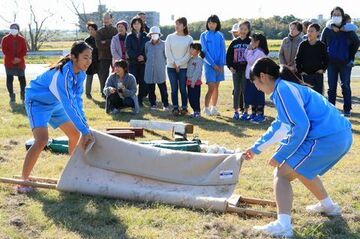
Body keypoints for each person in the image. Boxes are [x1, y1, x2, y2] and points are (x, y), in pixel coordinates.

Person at [244, 57, 352, 238]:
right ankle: (329, 207)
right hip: (339, 135)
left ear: (262, 76)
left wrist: (281, 154)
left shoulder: (283, 90)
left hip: (328, 137)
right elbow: (280, 125)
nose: (256, 87)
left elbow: (300, 126)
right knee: (300, 168)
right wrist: (255, 149)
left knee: (282, 173)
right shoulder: (284, 88)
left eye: (255, 82)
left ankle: (283, 226)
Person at [20, 41, 94, 193]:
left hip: (55, 102)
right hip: (37, 101)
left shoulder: (81, 73)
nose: (89, 61)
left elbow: (77, 101)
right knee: (42, 140)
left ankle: (72, 173)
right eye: (85, 57)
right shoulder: (62, 74)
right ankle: (23, 181)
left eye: (90, 57)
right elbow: (68, 103)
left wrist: (85, 128)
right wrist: (85, 131)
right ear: (74, 57)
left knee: (74, 134)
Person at [321, 6, 360, 117]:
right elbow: (322, 44)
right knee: (331, 87)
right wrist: (325, 59)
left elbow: (356, 42)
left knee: (345, 86)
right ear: (331, 16)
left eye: (338, 14)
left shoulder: (348, 29)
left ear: (342, 16)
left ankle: (347, 109)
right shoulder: (327, 29)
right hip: (331, 63)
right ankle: (331, 109)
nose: (336, 16)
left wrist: (350, 56)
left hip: (345, 63)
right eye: (334, 14)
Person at [165, 17, 193, 116]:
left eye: (179, 24)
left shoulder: (189, 38)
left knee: (182, 88)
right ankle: (175, 107)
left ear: (184, 26)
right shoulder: (170, 37)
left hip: (183, 67)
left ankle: (184, 107)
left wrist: (178, 63)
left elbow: (189, 54)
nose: (177, 26)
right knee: (174, 88)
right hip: (171, 67)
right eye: (176, 24)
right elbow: (167, 52)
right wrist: (174, 63)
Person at [200, 15, 226, 116]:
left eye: (214, 23)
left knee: (216, 87)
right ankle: (206, 108)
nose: (211, 25)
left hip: (219, 65)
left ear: (217, 24)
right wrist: (213, 64)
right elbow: (204, 51)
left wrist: (221, 64)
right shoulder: (204, 35)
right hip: (209, 65)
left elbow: (223, 50)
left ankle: (213, 108)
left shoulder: (220, 35)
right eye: (210, 23)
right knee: (211, 87)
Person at [226, 21, 251, 120]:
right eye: (241, 29)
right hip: (236, 70)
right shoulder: (234, 42)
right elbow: (228, 56)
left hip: (246, 70)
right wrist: (230, 67)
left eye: (245, 29)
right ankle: (236, 111)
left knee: (245, 90)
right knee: (237, 90)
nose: (243, 31)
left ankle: (245, 111)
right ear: (238, 30)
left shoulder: (250, 42)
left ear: (248, 30)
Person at [295, 23, 328, 95]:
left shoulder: (321, 45)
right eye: (308, 31)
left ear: (317, 32)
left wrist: (323, 69)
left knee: (318, 96)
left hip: (318, 75)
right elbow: (297, 59)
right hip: (306, 75)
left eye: (312, 31)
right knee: (307, 95)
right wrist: (300, 71)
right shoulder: (303, 44)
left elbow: (326, 59)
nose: (309, 33)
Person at [243, 33, 269, 123]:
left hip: (257, 79)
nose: (250, 43)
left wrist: (249, 50)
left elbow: (250, 60)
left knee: (258, 97)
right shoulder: (255, 50)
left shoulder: (259, 52)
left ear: (257, 42)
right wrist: (248, 50)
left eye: (252, 41)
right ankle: (253, 114)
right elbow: (246, 56)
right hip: (252, 78)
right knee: (252, 97)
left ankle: (260, 115)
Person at [125, 16, 150, 107]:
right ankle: (132, 99)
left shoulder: (146, 36)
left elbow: (148, 50)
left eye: (138, 23)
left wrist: (143, 57)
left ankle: (140, 99)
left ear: (141, 24)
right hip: (133, 63)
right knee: (133, 82)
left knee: (143, 82)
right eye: (134, 23)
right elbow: (128, 50)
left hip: (143, 63)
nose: (136, 25)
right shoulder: (129, 36)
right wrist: (136, 56)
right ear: (132, 25)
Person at [144, 26, 169, 110]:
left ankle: (165, 104)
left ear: (159, 35)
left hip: (160, 70)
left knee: (163, 89)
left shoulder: (164, 44)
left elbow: (166, 56)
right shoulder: (147, 44)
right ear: (150, 35)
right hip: (149, 69)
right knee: (151, 89)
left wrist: (162, 64)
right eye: (152, 34)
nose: (154, 35)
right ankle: (153, 104)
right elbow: (146, 54)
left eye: (156, 34)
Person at [1, 23, 27, 103]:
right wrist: (13, 58)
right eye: (12, 27)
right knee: (9, 79)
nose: (13, 29)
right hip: (9, 62)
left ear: (18, 29)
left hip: (20, 62)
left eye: (15, 28)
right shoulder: (5, 39)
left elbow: (25, 50)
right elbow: (4, 50)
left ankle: (23, 95)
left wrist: (18, 58)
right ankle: (12, 96)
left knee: (22, 79)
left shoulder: (22, 39)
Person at [95, 12, 117, 98]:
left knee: (117, 74)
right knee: (103, 75)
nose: (106, 20)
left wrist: (105, 41)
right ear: (102, 19)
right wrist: (111, 41)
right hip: (103, 56)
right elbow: (98, 45)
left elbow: (117, 43)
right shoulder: (99, 32)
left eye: (108, 18)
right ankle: (104, 92)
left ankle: (116, 91)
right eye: (104, 18)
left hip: (114, 55)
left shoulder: (115, 30)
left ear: (111, 19)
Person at [186, 43, 204, 118]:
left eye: (193, 49)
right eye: (191, 48)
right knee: (190, 97)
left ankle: (197, 111)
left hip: (195, 83)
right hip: (189, 82)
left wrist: (193, 82)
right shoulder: (190, 59)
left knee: (195, 97)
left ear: (198, 51)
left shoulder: (199, 60)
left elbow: (197, 71)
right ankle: (194, 111)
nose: (191, 50)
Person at [84, 22, 99, 99]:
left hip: (99, 61)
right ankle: (88, 93)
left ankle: (104, 93)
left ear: (96, 30)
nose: (91, 31)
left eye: (92, 29)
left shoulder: (99, 38)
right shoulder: (87, 40)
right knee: (89, 77)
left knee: (102, 78)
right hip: (90, 62)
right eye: (89, 29)